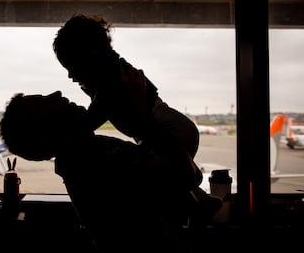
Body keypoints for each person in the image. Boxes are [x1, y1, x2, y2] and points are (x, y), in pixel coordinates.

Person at [52, 13, 220, 211]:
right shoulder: (108, 74)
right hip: (168, 128)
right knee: (169, 181)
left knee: (165, 178)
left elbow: (97, 113)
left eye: (72, 67)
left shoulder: (111, 77)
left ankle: (194, 204)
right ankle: (199, 201)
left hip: (169, 130)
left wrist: (79, 129)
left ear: (91, 55)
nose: (71, 76)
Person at [0, 91, 198, 251]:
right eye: (45, 102)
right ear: (43, 134)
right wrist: (141, 115)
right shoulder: (97, 159)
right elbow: (188, 174)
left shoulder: (82, 159)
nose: (57, 93)